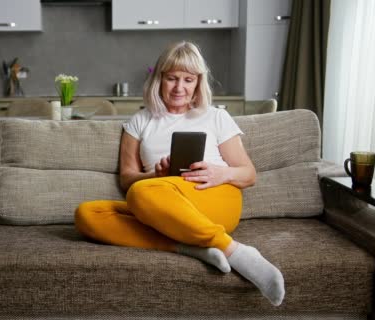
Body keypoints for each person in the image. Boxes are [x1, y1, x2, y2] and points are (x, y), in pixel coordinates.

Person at [74, 41, 284, 306]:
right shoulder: (140, 121)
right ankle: (193, 247)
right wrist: (154, 177)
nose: (179, 88)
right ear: (159, 80)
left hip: (213, 195)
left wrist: (221, 173)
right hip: (160, 202)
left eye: (188, 79)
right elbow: (128, 179)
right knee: (87, 214)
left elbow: (249, 174)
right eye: (172, 78)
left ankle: (235, 251)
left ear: (198, 83)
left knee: (140, 195)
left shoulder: (216, 117)